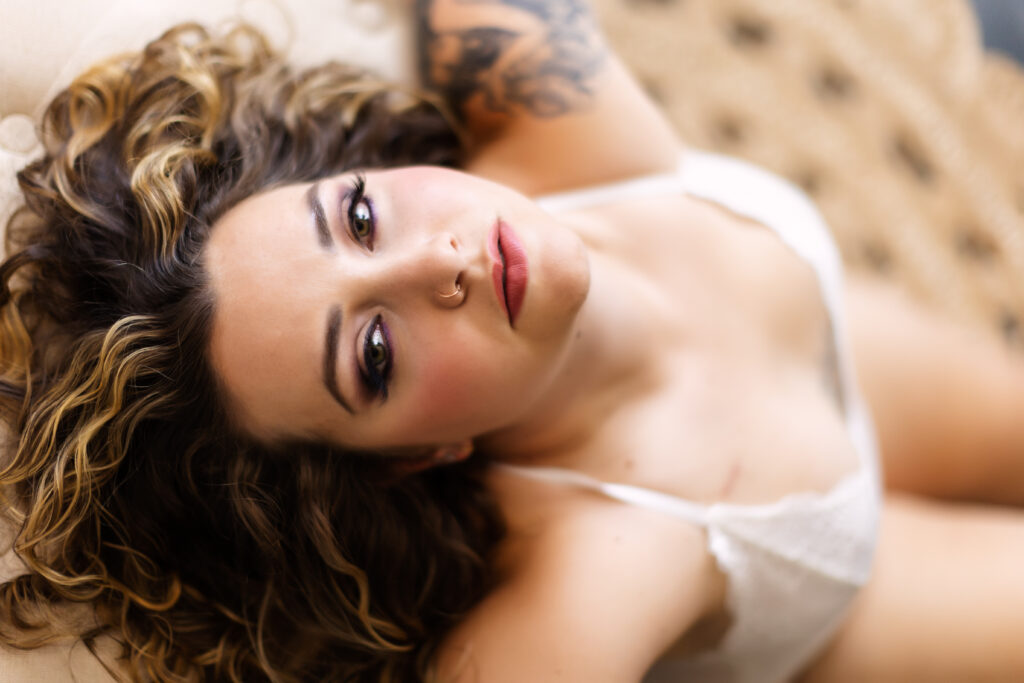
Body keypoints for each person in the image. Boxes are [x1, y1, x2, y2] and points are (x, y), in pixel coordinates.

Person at [1, 1, 1023, 681]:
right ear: (409, 456)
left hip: (840, 338)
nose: (433, 263)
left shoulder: (555, 123)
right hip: (838, 579)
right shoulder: (600, 571)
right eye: (374, 355)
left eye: (356, 219)